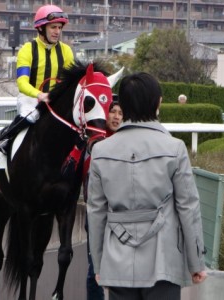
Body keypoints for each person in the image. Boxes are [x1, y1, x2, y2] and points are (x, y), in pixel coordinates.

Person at [87, 72, 207, 300]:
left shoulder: (101, 151)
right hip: (164, 260)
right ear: (158, 103)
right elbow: (188, 207)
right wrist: (196, 262)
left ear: (122, 104)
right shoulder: (175, 148)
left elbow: (96, 211)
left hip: (117, 260)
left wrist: (100, 266)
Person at [0, 4, 74, 153]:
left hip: (55, 101)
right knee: (31, 115)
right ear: (41, 28)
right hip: (30, 99)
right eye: (53, 27)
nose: (57, 32)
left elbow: (70, 82)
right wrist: (40, 95)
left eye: (59, 28)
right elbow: (22, 83)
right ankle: (5, 141)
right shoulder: (27, 49)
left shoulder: (66, 51)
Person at [83, 96, 123, 300]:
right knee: (94, 269)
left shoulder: (126, 141)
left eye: (120, 113)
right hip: (96, 216)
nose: (116, 117)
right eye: (112, 112)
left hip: (121, 216)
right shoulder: (93, 142)